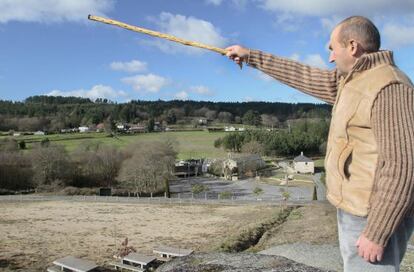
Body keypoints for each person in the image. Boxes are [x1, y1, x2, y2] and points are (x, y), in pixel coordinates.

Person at [226, 16, 414, 271]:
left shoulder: (390, 86)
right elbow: (304, 75)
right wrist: (252, 57)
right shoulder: (352, 80)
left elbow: (403, 165)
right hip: (355, 206)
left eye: (332, 48)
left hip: (372, 213)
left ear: (352, 46)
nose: (330, 58)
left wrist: (377, 232)